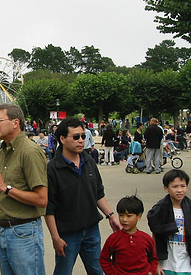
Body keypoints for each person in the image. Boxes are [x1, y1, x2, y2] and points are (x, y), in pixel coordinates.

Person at [45, 117, 121, 275]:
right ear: (63, 139)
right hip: (67, 234)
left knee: (98, 271)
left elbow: (98, 193)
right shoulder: (52, 168)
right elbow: (49, 207)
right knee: (62, 272)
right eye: (76, 137)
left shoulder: (89, 161)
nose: (81, 140)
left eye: (83, 136)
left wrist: (111, 215)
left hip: (92, 230)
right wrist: (55, 237)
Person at [0, 103, 48, 275]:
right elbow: (3, 200)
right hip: (5, 230)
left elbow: (41, 199)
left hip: (24, 233)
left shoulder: (30, 152)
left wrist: (5, 187)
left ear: (15, 122)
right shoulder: (2, 153)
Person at [148, 170, 191, 275]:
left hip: (188, 265)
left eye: (183, 186)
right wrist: (156, 263)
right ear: (166, 188)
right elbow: (156, 236)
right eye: (175, 187)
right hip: (166, 264)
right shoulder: (160, 210)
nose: (179, 190)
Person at [99, 195, 158, 275]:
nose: (124, 219)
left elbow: (154, 258)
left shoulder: (146, 238)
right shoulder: (113, 238)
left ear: (139, 216)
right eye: (121, 215)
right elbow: (104, 259)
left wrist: (151, 271)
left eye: (129, 216)